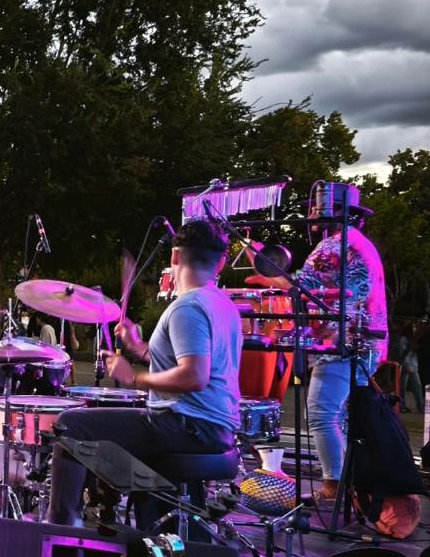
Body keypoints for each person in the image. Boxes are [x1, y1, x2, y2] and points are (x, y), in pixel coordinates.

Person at [47, 220, 241, 529]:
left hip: (189, 425)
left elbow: (194, 376)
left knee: (71, 424)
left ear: (175, 257)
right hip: (214, 426)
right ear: (220, 262)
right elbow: (186, 361)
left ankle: (60, 528)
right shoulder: (222, 304)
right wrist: (138, 348)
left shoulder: (187, 308)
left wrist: (133, 377)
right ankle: (152, 529)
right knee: (115, 425)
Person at [248, 193, 388, 500]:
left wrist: (265, 273)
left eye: (315, 210)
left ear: (333, 212)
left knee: (322, 412)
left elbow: (301, 286)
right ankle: (350, 489)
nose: (311, 217)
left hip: (343, 343)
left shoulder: (331, 245)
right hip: (368, 342)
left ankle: (333, 488)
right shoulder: (361, 243)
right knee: (340, 416)